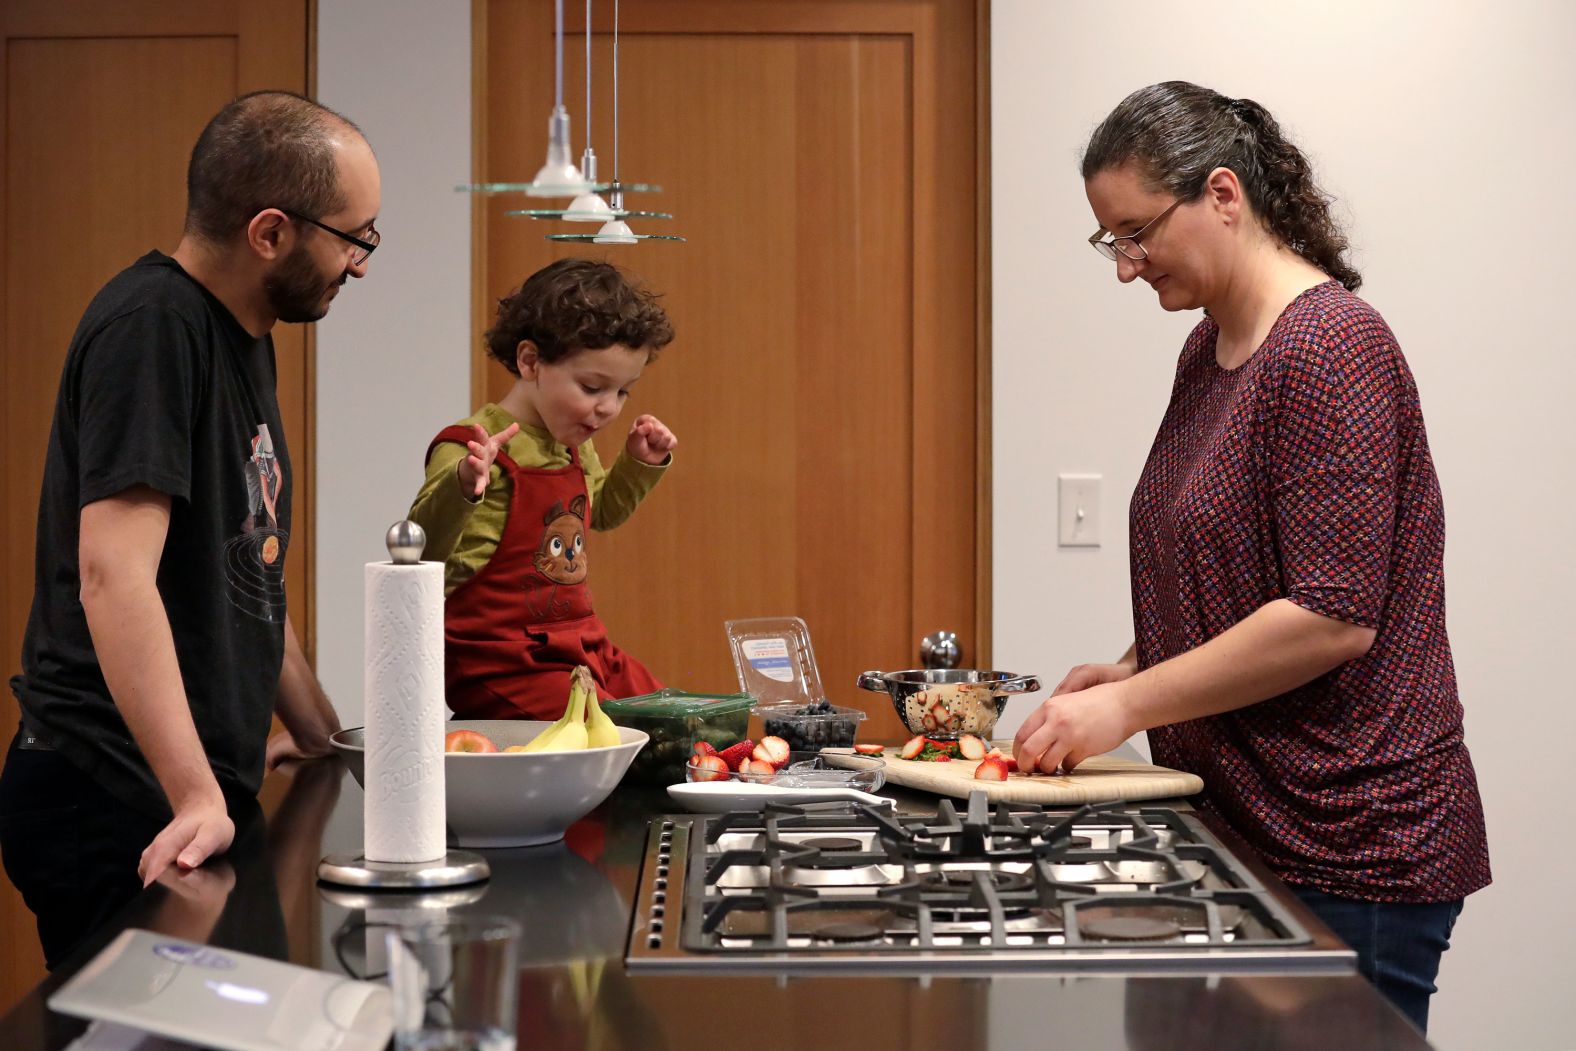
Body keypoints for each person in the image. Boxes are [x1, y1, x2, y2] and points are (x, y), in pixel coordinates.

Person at [1013, 81, 1489, 1034]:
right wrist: (1133, 665)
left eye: (1136, 233)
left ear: (1223, 194)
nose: (1126, 266)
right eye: (1111, 241)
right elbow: (1242, 581)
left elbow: (1330, 615)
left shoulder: (1330, 348)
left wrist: (1124, 706)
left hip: (1348, 845)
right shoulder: (1210, 349)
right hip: (1247, 829)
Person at [0, 90, 375, 968]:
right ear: (271, 232)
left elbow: (245, 569)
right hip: (111, 793)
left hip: (179, 792)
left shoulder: (241, 333)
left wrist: (319, 730)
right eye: (354, 237)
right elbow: (113, 576)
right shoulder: (152, 330)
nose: (360, 264)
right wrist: (196, 794)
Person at [408, 258, 676, 718]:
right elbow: (418, 553)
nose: (608, 408)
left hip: (581, 647)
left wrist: (638, 465)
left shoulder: (572, 444)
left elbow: (602, 513)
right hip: (499, 660)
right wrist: (462, 488)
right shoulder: (469, 446)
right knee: (612, 731)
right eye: (593, 387)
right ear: (530, 361)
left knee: (671, 715)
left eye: (623, 392)